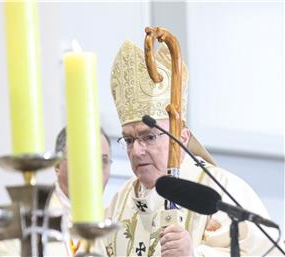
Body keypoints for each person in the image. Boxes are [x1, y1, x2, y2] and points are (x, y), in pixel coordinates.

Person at [103, 40, 282, 257]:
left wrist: (194, 255)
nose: (137, 151)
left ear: (182, 137)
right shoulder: (120, 200)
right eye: (129, 140)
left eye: (149, 137)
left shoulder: (222, 192)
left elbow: (267, 252)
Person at [0, 127, 112, 256]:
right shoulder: (26, 218)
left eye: (102, 161)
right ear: (57, 165)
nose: (94, 172)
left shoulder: (109, 223)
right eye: (82, 159)